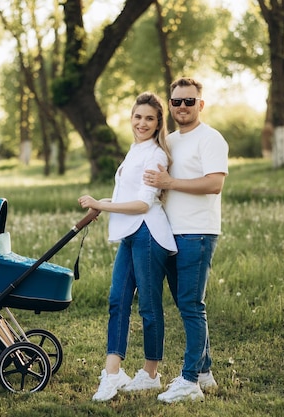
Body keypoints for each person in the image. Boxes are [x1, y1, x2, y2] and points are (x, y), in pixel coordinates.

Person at [78, 92, 177, 402]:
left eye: (149, 118)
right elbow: (126, 197)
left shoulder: (156, 155)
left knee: (148, 305)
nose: (142, 123)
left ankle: (150, 374)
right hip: (131, 234)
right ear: (131, 118)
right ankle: (113, 373)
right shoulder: (134, 152)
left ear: (158, 122)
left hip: (149, 235)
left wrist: (103, 206)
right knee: (117, 300)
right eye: (138, 116)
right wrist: (101, 204)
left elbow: (142, 204)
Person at [143, 77, 229, 403]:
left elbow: (214, 185)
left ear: (200, 104)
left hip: (198, 232)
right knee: (185, 304)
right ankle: (205, 372)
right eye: (176, 101)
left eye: (188, 101)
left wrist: (170, 181)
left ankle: (189, 380)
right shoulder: (171, 140)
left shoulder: (211, 139)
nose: (182, 107)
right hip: (171, 234)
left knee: (193, 306)